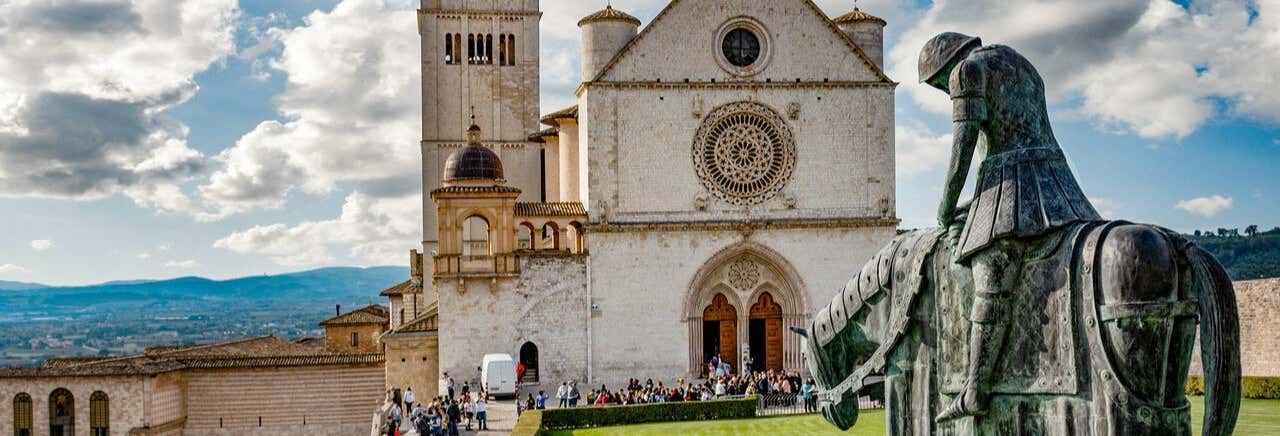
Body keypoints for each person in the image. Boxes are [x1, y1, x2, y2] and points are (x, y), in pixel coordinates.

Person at [917, 32, 1101, 422]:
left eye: (937, 85)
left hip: (1015, 182)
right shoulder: (1020, 63)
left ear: (944, 68)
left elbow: (962, 148)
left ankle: (974, 390)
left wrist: (945, 208)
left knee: (991, 271)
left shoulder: (966, 71)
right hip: (1054, 180)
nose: (942, 91)